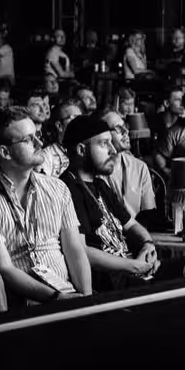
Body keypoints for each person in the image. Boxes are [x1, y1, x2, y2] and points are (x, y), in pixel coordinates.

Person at [0, 108, 91, 304]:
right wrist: (58, 298)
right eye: (28, 140)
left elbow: (74, 249)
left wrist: (85, 299)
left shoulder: (58, 188)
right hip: (23, 305)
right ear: (5, 152)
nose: (40, 143)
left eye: (38, 135)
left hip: (69, 293)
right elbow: (5, 269)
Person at [59, 115, 160, 290]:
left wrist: (147, 245)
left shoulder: (100, 184)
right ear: (82, 150)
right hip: (111, 281)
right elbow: (81, 251)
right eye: (104, 143)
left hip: (133, 267)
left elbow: (131, 225)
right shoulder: (68, 189)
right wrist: (133, 266)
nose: (113, 150)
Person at [99, 109, 157, 221]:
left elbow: (149, 214)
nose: (125, 131)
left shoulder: (140, 167)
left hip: (137, 232)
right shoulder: (95, 171)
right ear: (104, 135)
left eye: (124, 126)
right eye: (118, 128)